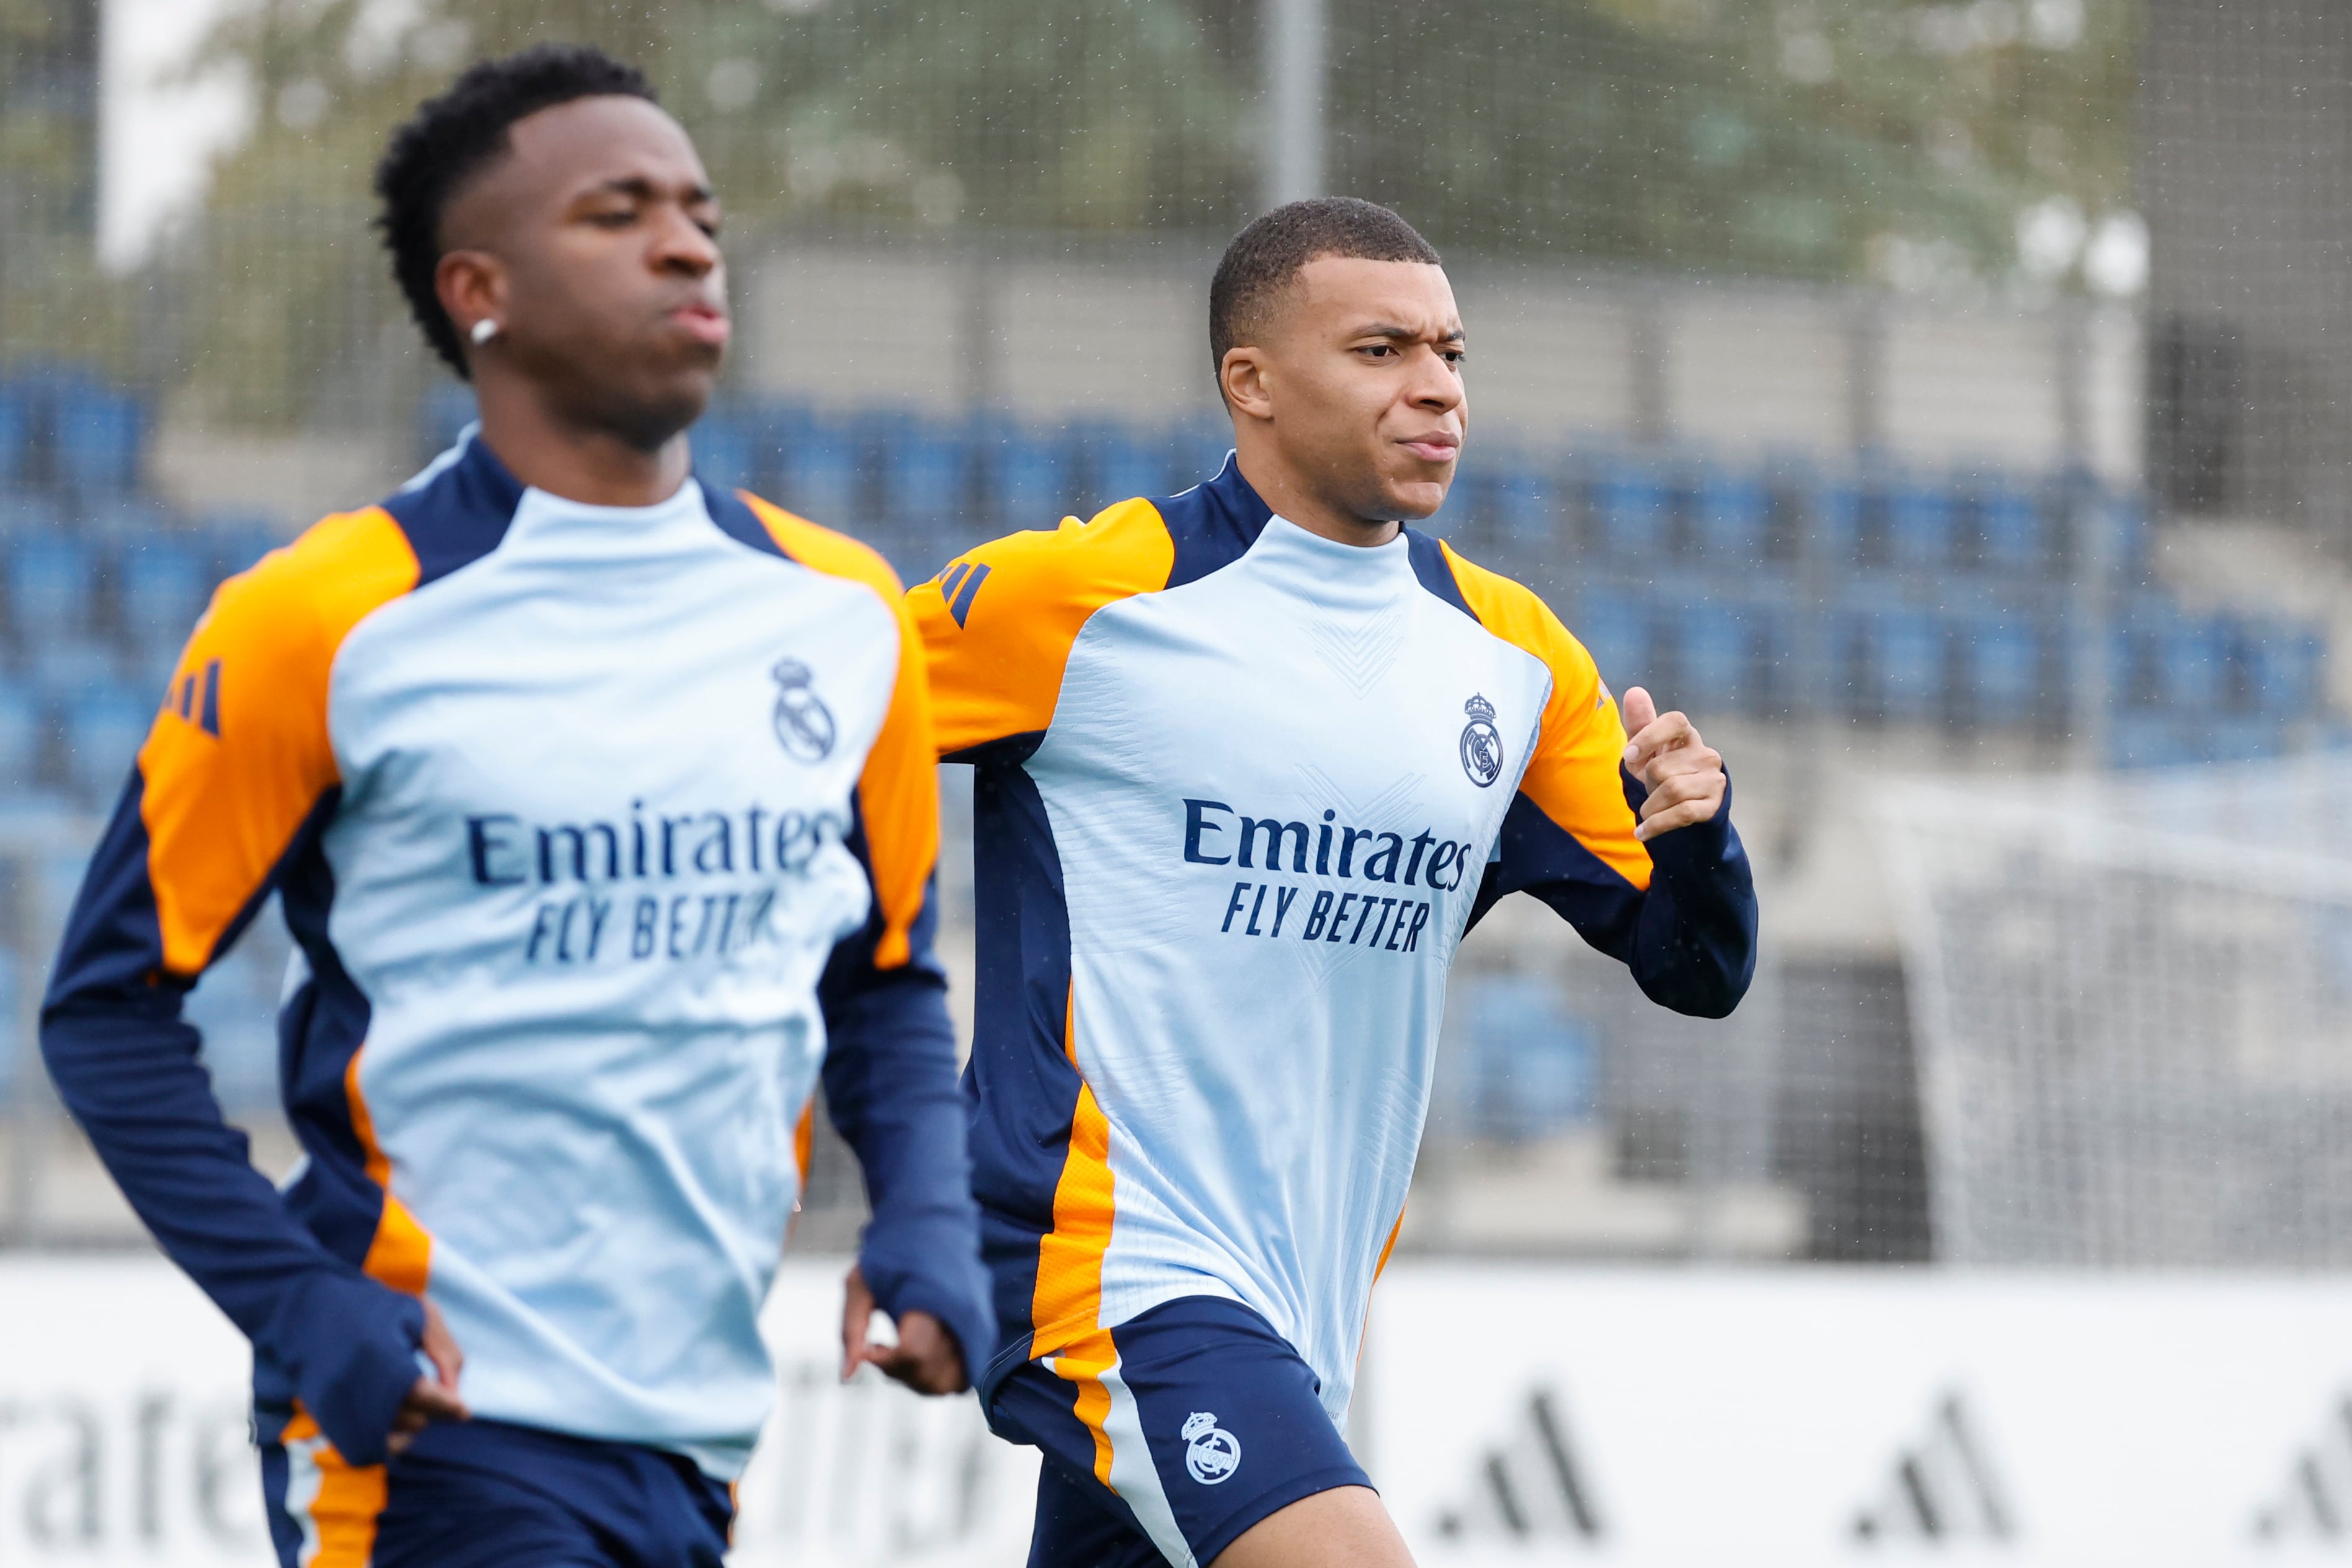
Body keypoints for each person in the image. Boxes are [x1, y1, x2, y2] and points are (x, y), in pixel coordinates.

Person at [40, 45, 991, 1568]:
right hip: (434, 1431)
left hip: (697, 1436)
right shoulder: (323, 618)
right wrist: (303, 1295)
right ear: (476, 288)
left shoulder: (847, 612)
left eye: (698, 209)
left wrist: (927, 1222)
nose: (687, 241)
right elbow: (106, 1010)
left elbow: (880, 978)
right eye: (618, 212)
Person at [907, 197, 1758, 1567]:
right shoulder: (1077, 599)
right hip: (1102, 1259)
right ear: (1250, 380)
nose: (1435, 385)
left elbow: (1695, 965)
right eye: (1380, 349)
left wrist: (1696, 834)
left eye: (1451, 352)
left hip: (1301, 1300)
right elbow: (805, 734)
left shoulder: (1511, 657)